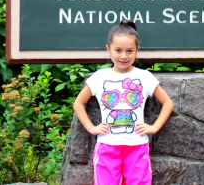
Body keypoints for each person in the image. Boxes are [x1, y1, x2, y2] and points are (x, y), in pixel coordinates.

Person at [73, 20, 174, 185]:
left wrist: (154, 127)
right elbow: (78, 104)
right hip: (107, 145)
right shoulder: (100, 77)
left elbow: (168, 103)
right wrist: (91, 127)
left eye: (129, 51)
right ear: (108, 49)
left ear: (137, 51)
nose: (124, 56)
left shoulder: (144, 77)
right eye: (118, 50)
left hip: (137, 145)